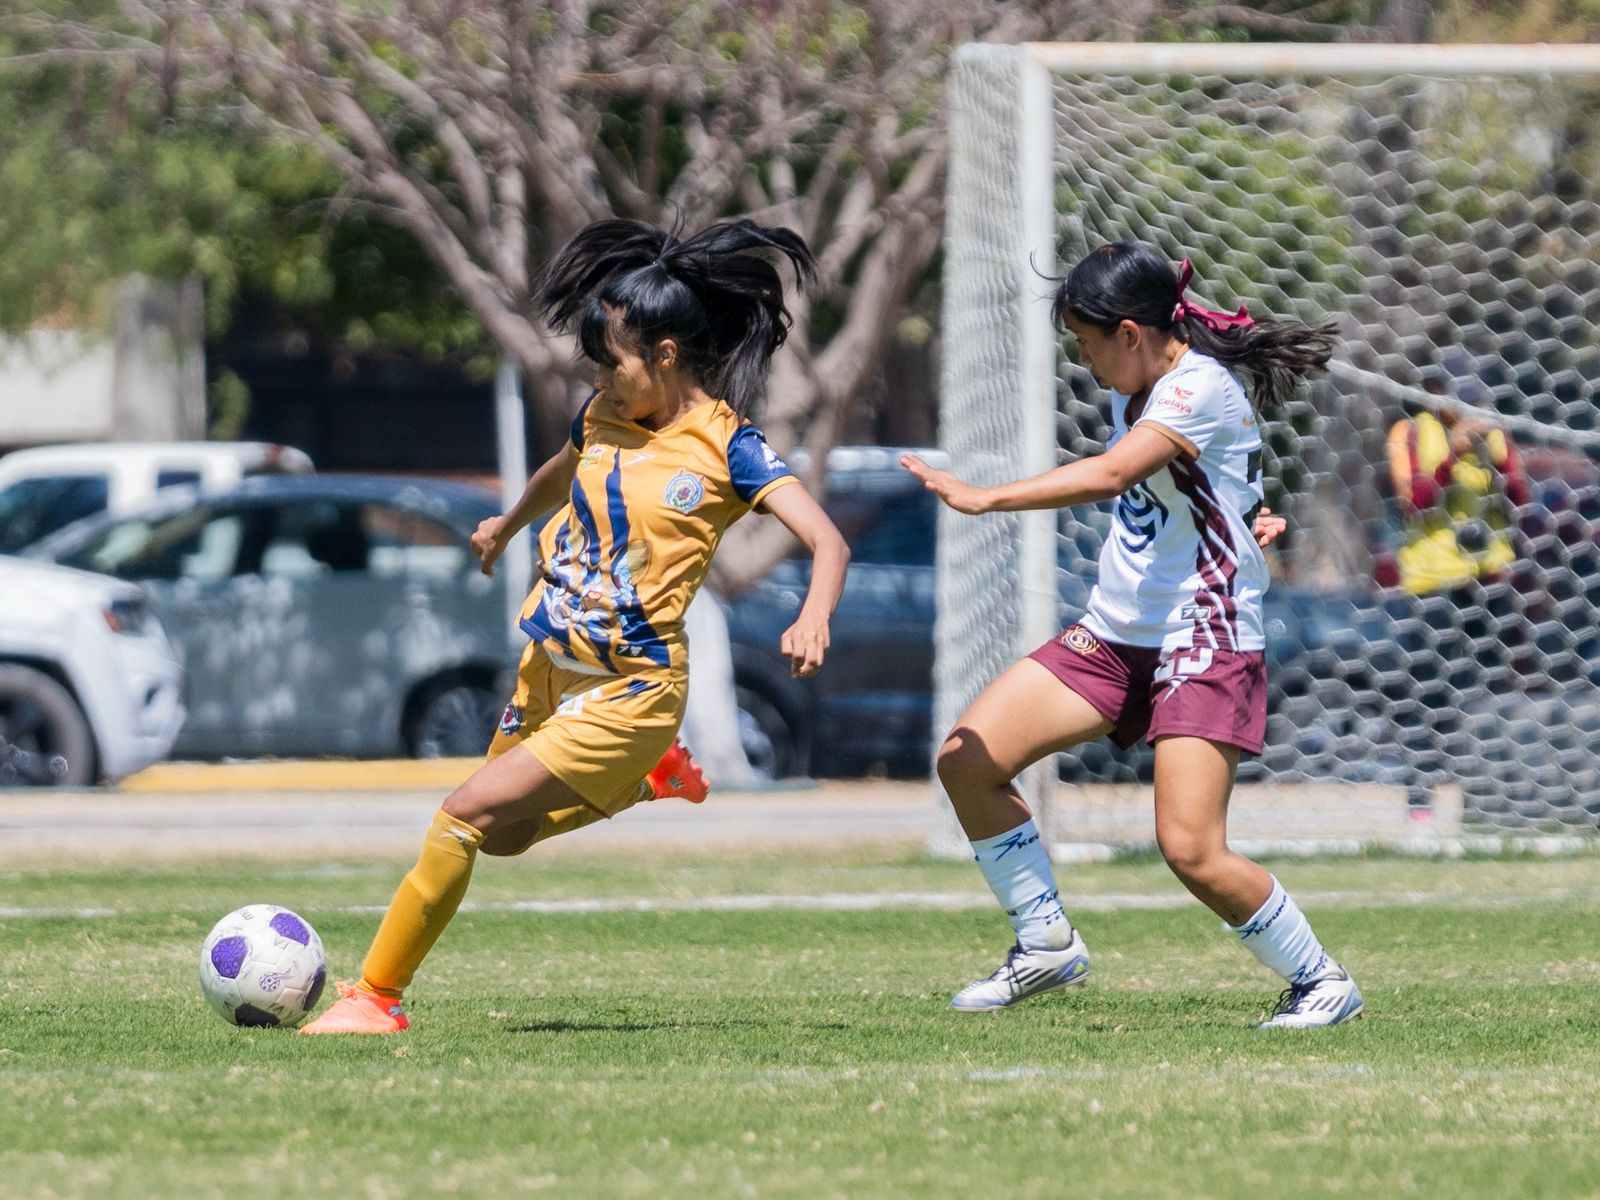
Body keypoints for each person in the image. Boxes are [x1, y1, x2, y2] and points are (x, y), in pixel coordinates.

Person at [302, 218, 851, 1034]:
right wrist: (506, 523)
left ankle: (376, 1000)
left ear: (665, 355)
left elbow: (827, 539)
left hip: (633, 689)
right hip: (550, 668)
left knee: (461, 814)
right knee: (502, 840)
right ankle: (649, 779)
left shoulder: (729, 446)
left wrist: (814, 615)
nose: (600, 375)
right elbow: (562, 471)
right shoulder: (603, 415)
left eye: (612, 360)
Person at [901, 244, 1362, 1029]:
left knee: (1189, 849)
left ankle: (1321, 981)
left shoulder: (1196, 387)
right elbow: (1197, 487)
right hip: (1117, 634)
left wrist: (986, 500)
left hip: (1202, 633)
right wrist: (1242, 517)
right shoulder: (1140, 385)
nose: (1085, 362)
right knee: (967, 761)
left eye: (1086, 345)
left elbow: (1114, 474)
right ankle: (1045, 942)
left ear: (1129, 332)